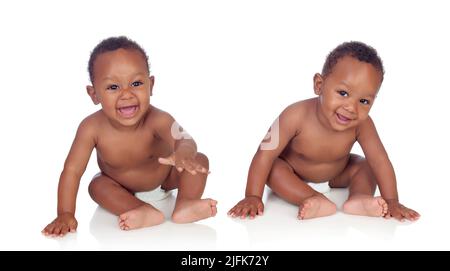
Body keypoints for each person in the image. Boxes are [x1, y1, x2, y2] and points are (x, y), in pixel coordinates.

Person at [42, 36, 217, 237]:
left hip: (165, 179)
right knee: (97, 186)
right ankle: (141, 209)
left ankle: (186, 203)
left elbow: (184, 139)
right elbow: (72, 171)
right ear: (94, 94)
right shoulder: (90, 128)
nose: (126, 94)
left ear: (151, 85)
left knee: (199, 160)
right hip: (121, 188)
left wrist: (183, 154)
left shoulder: (159, 119)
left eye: (136, 83)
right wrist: (65, 213)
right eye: (113, 87)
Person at [228, 41, 420, 222]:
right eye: (343, 93)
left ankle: (359, 198)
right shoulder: (294, 115)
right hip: (293, 175)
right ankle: (312, 198)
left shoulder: (363, 124)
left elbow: (380, 161)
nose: (352, 108)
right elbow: (264, 154)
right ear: (319, 85)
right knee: (273, 168)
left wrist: (392, 201)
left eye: (364, 101)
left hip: (336, 176)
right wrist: (252, 196)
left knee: (366, 165)